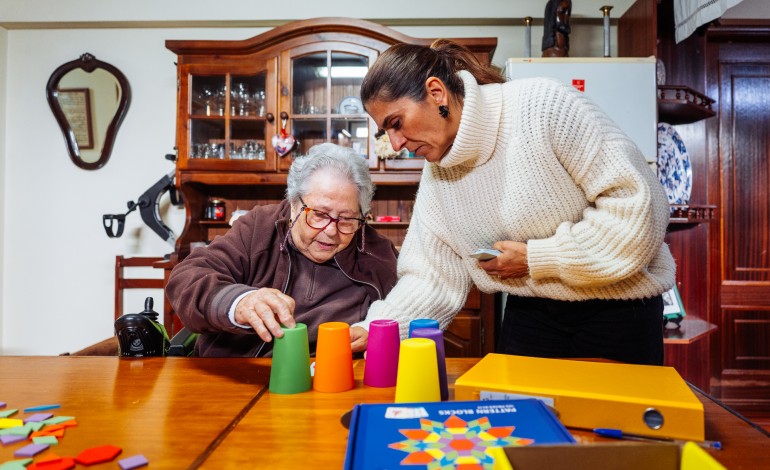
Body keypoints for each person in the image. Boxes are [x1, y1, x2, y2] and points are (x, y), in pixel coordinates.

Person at [357, 39, 675, 366]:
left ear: (436, 93)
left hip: (620, 308)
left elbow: (639, 211)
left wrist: (535, 259)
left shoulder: (542, 106)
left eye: (396, 123)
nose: (395, 144)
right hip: (531, 309)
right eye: (386, 132)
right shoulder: (438, 173)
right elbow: (431, 275)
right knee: (521, 417)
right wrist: (378, 328)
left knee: (609, 419)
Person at [166, 143, 398, 357]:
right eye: (319, 215)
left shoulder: (376, 253)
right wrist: (238, 302)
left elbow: (412, 307)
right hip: (238, 375)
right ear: (294, 203)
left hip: (325, 383)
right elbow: (187, 278)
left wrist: (377, 328)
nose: (330, 231)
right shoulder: (259, 227)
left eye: (347, 219)